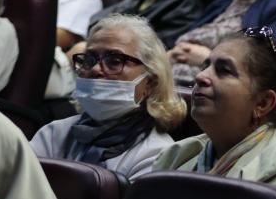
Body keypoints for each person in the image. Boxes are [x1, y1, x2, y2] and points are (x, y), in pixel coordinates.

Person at [156, 27, 276, 193]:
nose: (200, 77)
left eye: (224, 70)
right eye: (205, 67)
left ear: (263, 103)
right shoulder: (176, 155)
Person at [31, 14, 184, 179]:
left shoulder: (158, 155)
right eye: (89, 59)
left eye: (115, 61)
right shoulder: (54, 133)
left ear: (150, 83)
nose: (96, 69)